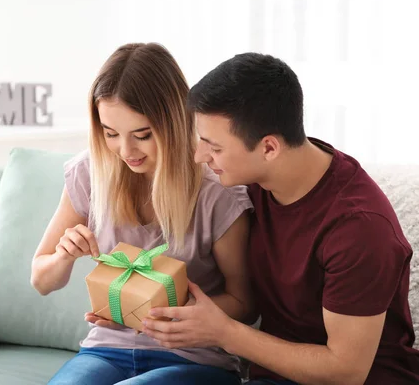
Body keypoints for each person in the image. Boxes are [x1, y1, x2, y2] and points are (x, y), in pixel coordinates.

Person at [141, 52, 419, 384]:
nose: (201, 157)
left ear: (270, 148)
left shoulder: (360, 230)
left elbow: (346, 371)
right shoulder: (255, 182)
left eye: (214, 147)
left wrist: (224, 333)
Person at [30, 43, 254, 385]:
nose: (125, 151)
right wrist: (63, 256)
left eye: (142, 135)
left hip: (195, 357)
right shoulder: (89, 174)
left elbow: (245, 302)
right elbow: (41, 279)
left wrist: (165, 315)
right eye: (110, 134)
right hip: (107, 349)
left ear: (174, 122)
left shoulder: (218, 192)